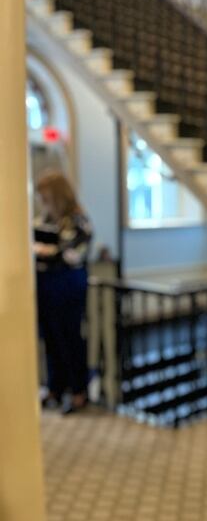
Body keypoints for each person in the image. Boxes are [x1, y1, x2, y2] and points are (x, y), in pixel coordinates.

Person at [34, 170, 93, 415]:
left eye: (47, 197)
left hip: (67, 287)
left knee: (69, 338)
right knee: (50, 339)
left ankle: (78, 390)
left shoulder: (77, 220)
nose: (44, 203)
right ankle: (55, 387)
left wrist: (45, 251)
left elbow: (68, 253)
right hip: (47, 286)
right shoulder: (46, 219)